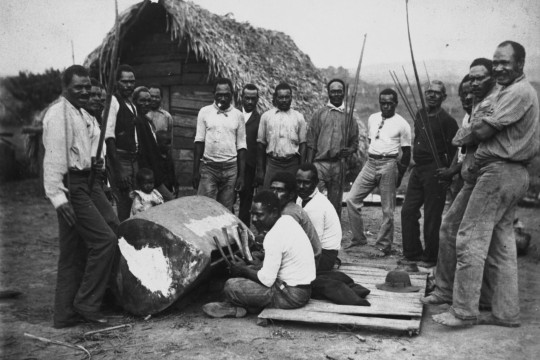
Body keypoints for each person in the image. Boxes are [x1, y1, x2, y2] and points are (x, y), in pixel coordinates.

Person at [433, 41, 539, 328]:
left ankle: (464, 311)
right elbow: (475, 130)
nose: (500, 67)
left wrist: (464, 135)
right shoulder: (506, 92)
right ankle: (505, 313)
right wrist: (470, 133)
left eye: (505, 63)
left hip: (500, 171)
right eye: (497, 63)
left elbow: (479, 130)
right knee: (501, 245)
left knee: (470, 238)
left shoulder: (518, 92)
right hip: (502, 171)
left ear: (520, 64)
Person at [42, 65, 118, 328]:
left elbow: (83, 149)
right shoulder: (59, 115)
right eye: (79, 87)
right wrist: (58, 198)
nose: (85, 91)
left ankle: (64, 314)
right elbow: (53, 161)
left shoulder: (80, 112)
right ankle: (87, 303)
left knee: (72, 251)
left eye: (88, 87)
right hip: (71, 186)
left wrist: (95, 166)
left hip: (85, 180)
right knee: (104, 240)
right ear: (65, 88)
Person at [422, 58, 496, 309]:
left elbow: (462, 142)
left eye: (470, 91)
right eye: (463, 93)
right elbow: (461, 150)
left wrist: (454, 167)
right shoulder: (469, 115)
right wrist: (454, 169)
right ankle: (445, 288)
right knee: (450, 229)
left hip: (485, 179)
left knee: (474, 238)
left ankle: (478, 298)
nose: (466, 98)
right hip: (467, 178)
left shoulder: (486, 110)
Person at [202, 191, 315, 318]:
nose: (254, 219)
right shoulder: (287, 221)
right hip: (301, 291)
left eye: (259, 215)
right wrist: (254, 267)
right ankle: (246, 306)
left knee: (231, 285)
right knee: (251, 272)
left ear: (274, 212)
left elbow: (267, 280)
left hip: (291, 296)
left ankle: (236, 306)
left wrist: (242, 269)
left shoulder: (274, 236)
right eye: (252, 214)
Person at [346, 88, 411, 256]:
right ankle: (359, 240)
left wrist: (399, 175)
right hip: (370, 162)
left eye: (390, 103)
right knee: (352, 199)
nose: (386, 106)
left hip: (389, 164)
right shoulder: (373, 118)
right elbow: (370, 140)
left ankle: (383, 245)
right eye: (383, 103)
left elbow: (407, 153)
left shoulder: (402, 124)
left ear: (396, 104)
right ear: (379, 103)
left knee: (388, 210)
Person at [400, 80, 459, 267]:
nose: (431, 95)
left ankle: (430, 257)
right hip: (419, 168)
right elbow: (418, 140)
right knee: (408, 210)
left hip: (436, 170)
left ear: (444, 96)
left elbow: (456, 149)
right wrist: (414, 161)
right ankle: (412, 253)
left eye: (436, 92)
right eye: (428, 92)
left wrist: (448, 171)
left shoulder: (448, 121)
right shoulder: (420, 114)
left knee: (432, 216)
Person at [306, 79, 359, 218]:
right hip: (319, 164)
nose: (336, 94)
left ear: (344, 93)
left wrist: (350, 150)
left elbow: (355, 141)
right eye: (333, 91)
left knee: (335, 204)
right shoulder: (319, 114)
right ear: (328, 93)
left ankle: (334, 235)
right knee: (314, 200)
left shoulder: (349, 118)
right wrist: (309, 166)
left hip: (338, 165)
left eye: (339, 91)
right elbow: (311, 141)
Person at [192, 78, 246, 211]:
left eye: (226, 95)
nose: (222, 98)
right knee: (203, 207)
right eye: (219, 95)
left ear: (232, 95)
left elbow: (242, 146)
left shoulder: (238, 115)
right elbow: (199, 141)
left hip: (230, 169)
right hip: (209, 168)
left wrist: (241, 176)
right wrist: (195, 171)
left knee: (225, 210)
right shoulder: (204, 112)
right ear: (213, 94)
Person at [256, 83, 307, 189]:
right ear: (275, 98)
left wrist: (301, 169)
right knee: (269, 194)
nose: (284, 100)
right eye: (281, 97)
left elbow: (303, 144)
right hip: (272, 164)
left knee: (292, 194)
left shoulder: (299, 117)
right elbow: (261, 144)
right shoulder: (266, 117)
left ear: (291, 98)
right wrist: (260, 170)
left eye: (287, 97)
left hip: (292, 163)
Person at [104, 64, 138, 221]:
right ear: (117, 82)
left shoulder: (131, 104)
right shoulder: (113, 102)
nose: (129, 85)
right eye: (125, 81)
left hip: (132, 160)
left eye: (132, 82)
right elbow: (109, 137)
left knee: (133, 203)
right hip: (121, 160)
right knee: (123, 205)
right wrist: (119, 170)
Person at [296, 163, 342, 271]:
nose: (301, 186)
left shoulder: (316, 206)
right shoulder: (302, 197)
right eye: (298, 182)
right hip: (316, 250)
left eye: (306, 183)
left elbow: (314, 244)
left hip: (323, 255)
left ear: (316, 183)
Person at [269, 171, 322, 264]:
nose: (274, 194)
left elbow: (286, 249)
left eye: (279, 190)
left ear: (291, 195)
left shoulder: (289, 214)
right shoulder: (284, 208)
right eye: (272, 189)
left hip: (307, 263)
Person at [132, 86, 174, 201]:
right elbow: (142, 150)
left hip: (155, 170)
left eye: (148, 101)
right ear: (135, 102)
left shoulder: (146, 120)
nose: (146, 103)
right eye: (142, 101)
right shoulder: (138, 121)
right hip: (147, 172)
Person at [237, 84, 261, 226]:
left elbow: (260, 147)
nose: (250, 102)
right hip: (231, 164)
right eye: (247, 98)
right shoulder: (233, 114)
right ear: (242, 98)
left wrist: (258, 170)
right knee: (228, 200)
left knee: (245, 203)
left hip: (249, 167)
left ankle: (243, 232)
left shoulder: (260, 119)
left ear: (257, 99)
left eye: (253, 99)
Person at [156, 130, 178, 196]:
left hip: (170, 188)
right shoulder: (156, 159)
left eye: (170, 143)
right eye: (166, 143)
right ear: (157, 143)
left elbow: (172, 174)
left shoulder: (169, 158)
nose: (169, 146)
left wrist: (176, 185)